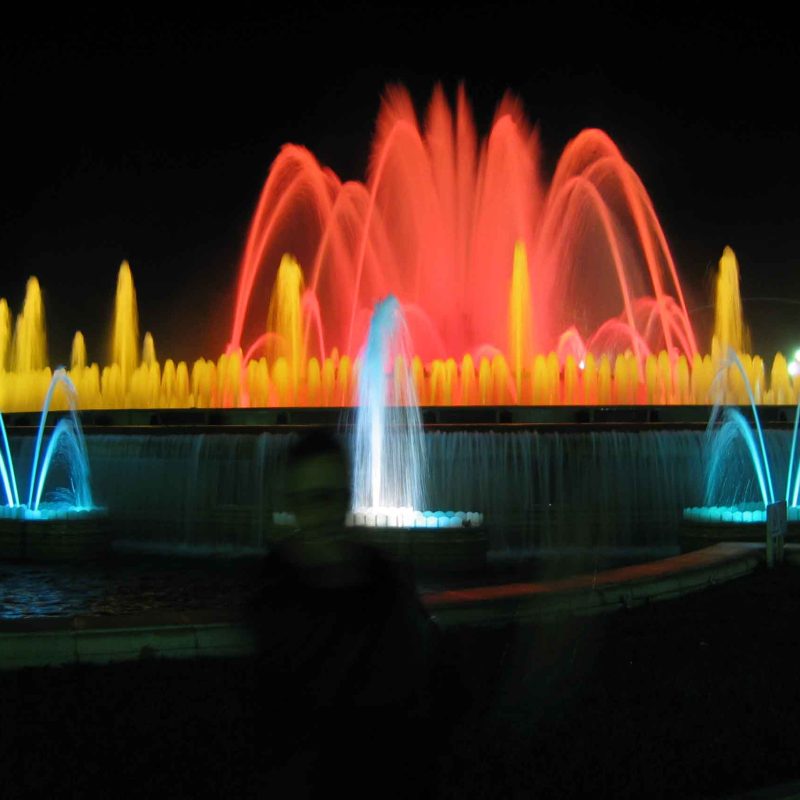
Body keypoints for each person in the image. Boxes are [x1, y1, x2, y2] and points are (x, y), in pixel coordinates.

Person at [248, 429, 439, 796]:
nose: (320, 515)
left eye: (329, 497)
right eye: (307, 501)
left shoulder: (386, 581)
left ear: (347, 497)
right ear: (292, 503)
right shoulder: (270, 590)